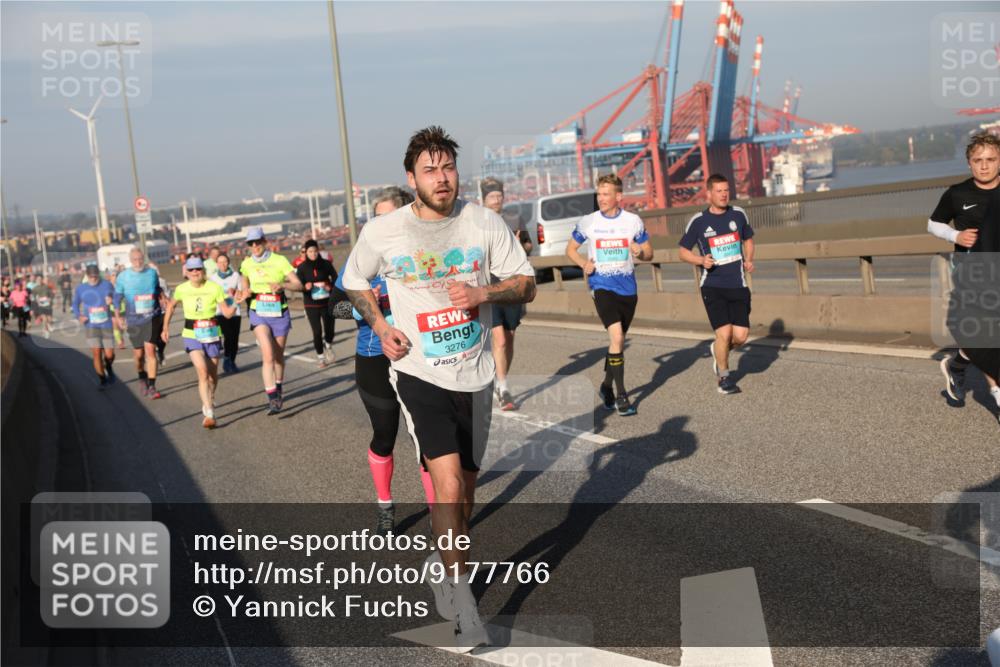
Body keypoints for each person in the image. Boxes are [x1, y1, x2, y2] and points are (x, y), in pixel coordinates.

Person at [342, 126, 535, 651]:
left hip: (475, 375)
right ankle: (465, 606)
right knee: (447, 487)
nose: (442, 178)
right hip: (418, 372)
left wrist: (483, 291)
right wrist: (381, 328)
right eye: (430, 170)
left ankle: (442, 561)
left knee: (466, 497)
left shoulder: (482, 222)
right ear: (412, 179)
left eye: (448, 167)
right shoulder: (386, 231)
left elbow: (527, 282)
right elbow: (354, 280)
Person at [335, 186, 437, 535]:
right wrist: (367, 308)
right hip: (374, 357)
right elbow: (336, 307)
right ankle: (385, 505)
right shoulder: (361, 258)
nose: (381, 224)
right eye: (376, 218)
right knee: (385, 434)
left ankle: (440, 515)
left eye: (388, 217)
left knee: (426, 437)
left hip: (418, 355)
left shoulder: (422, 251)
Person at [566, 173, 653, 414]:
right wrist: (583, 263)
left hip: (628, 288)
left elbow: (649, 252)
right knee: (616, 338)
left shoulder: (633, 221)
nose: (601, 198)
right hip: (601, 286)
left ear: (618, 196)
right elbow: (570, 249)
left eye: (606, 194)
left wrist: (640, 252)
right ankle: (622, 395)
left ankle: (606, 385)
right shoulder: (589, 222)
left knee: (617, 342)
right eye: (599, 194)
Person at [928, 132, 1000, 416]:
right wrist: (955, 235)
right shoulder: (957, 194)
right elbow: (933, 224)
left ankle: (957, 365)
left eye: (991, 159)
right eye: (977, 160)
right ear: (969, 163)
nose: (984, 166)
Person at [678, 173, 755, 395]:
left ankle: (718, 352)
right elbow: (683, 252)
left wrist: (749, 259)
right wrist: (700, 260)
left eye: (726, 190)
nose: (723, 194)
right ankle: (724, 378)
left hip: (738, 284)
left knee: (740, 337)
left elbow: (748, 239)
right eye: (719, 191)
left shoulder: (738, 214)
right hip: (712, 285)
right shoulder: (699, 221)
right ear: (709, 194)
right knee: (724, 333)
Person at [162, 256, 241, 428]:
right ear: (187, 273)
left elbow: (227, 313)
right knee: (203, 372)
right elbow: (171, 306)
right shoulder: (182, 289)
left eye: (198, 269)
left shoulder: (214, 288)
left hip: (212, 334)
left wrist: (236, 300)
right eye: (191, 270)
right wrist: (165, 328)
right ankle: (209, 413)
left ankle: (210, 399)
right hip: (191, 334)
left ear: (203, 271)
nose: (195, 272)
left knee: (213, 376)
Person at [481, 178, 533, 411]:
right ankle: (503, 389)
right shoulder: (478, 223)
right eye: (492, 197)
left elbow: (529, 245)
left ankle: (499, 378)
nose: (496, 200)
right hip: (489, 288)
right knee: (499, 338)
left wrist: (521, 244)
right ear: (483, 200)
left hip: (513, 286)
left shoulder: (515, 219)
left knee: (509, 338)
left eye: (499, 196)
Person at [239, 227, 303, 414]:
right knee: (267, 355)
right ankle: (272, 397)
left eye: (257, 242)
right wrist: (245, 291)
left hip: (279, 313)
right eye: (251, 243)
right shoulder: (247, 263)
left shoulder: (279, 260)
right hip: (258, 312)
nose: (255, 246)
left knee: (278, 356)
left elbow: (297, 284)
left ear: (264, 241)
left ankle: (278, 385)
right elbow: (244, 282)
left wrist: (282, 285)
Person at [113, 247, 165, 399]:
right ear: (130, 260)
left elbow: (157, 288)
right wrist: (118, 316)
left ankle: (152, 386)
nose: (138, 262)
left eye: (140, 259)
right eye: (135, 259)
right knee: (139, 354)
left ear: (144, 259)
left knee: (150, 351)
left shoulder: (151, 273)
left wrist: (162, 297)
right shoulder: (123, 277)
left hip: (151, 316)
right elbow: (117, 297)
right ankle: (141, 375)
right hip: (134, 319)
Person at [72, 265, 117, 388]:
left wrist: (112, 300)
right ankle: (102, 380)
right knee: (97, 353)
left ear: (99, 275)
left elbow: (116, 297)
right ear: (87, 276)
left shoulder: (107, 284)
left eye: (95, 276)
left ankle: (108, 366)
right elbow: (75, 304)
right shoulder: (81, 288)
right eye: (91, 277)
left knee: (109, 354)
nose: (93, 279)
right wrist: (78, 316)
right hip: (91, 325)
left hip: (106, 323)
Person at [296, 239, 338, 368]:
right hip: (311, 304)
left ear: (318, 251)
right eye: (310, 251)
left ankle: (329, 346)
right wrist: (305, 286)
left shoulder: (326, 264)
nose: (313, 254)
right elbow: (298, 284)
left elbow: (336, 278)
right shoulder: (302, 267)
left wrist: (329, 286)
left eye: (315, 251)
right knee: (317, 332)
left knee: (329, 330)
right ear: (306, 253)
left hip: (327, 302)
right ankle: (321, 357)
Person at [209, 252, 243, 374]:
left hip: (235, 311)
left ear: (228, 263)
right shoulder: (213, 278)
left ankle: (231, 361)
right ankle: (227, 360)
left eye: (225, 262)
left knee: (234, 338)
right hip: (220, 312)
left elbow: (242, 292)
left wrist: (235, 291)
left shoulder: (236, 276)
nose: (223, 264)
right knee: (228, 336)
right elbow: (210, 295)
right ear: (216, 264)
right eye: (220, 262)